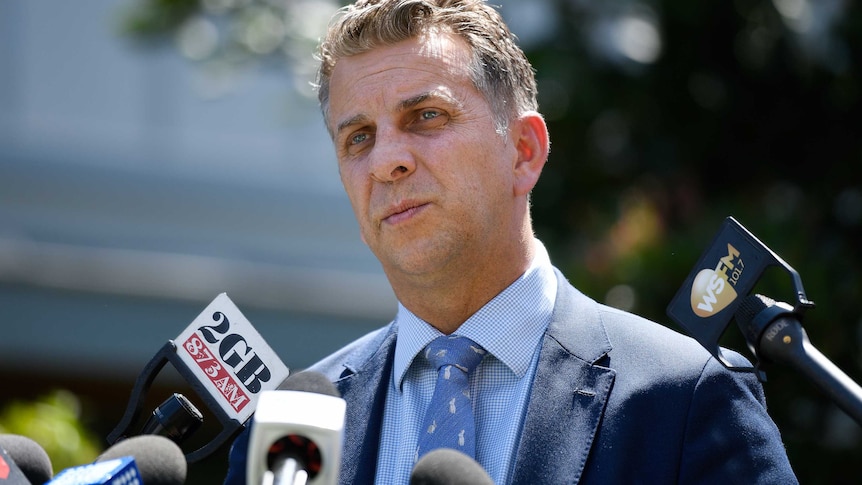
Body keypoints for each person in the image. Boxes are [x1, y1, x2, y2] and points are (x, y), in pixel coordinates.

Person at [225, 0, 798, 483]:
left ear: (523, 151)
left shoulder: (684, 398)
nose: (386, 161)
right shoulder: (290, 428)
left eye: (426, 116)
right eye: (358, 138)